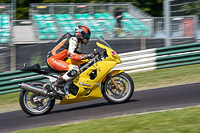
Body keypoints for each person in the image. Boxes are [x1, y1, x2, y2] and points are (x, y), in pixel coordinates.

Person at [46, 26, 94, 95]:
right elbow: (71, 55)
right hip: (53, 60)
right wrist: (86, 56)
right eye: (85, 35)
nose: (87, 37)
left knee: (76, 67)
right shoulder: (73, 39)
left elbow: (76, 54)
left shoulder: (74, 40)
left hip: (57, 59)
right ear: (80, 33)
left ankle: (67, 87)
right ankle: (55, 85)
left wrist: (87, 56)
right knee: (75, 69)